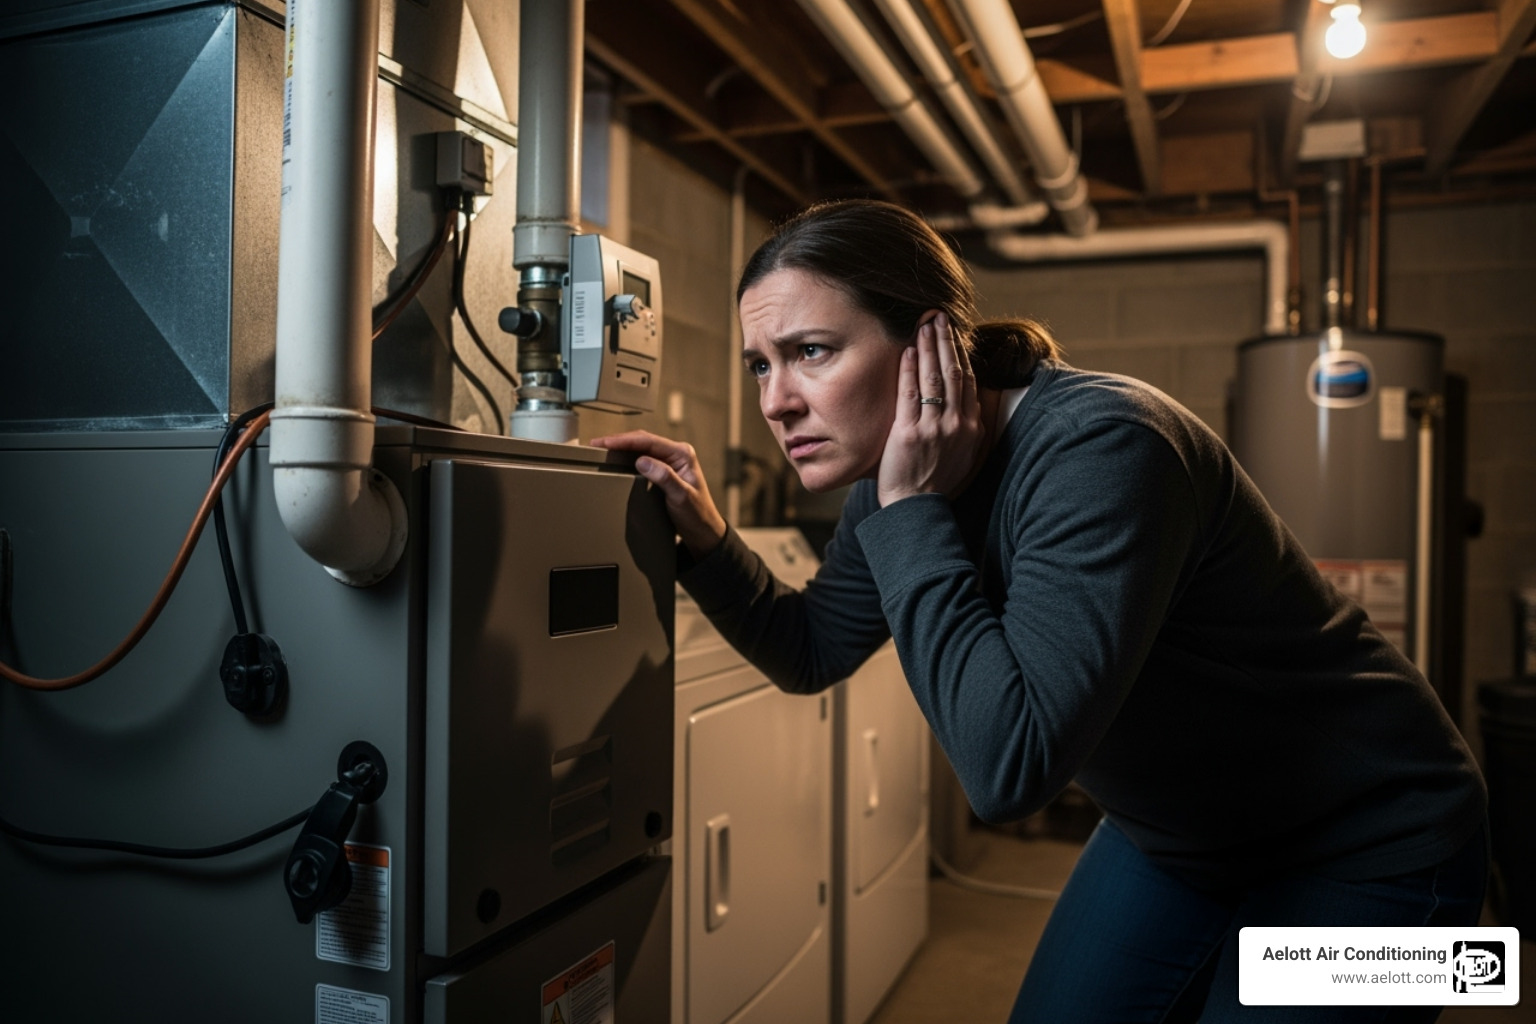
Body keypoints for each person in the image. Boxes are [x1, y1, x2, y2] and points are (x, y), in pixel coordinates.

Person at [591, 199, 1487, 1022]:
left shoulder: (1106, 448)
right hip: (1179, 840)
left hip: (1378, 846)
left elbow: (1008, 772)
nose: (775, 402)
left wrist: (911, 516)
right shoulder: (890, 483)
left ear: (930, 346)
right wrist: (706, 543)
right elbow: (810, 649)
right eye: (760, 363)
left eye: (812, 352)